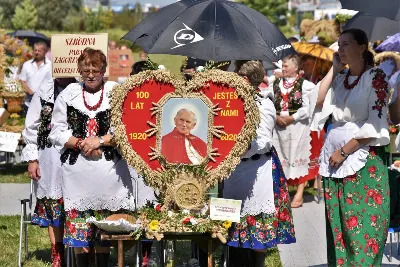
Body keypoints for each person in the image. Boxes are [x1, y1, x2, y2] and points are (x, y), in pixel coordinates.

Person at [49, 48, 136, 267]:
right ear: (79, 70)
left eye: (95, 69)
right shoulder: (69, 92)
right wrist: (80, 143)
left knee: (105, 233)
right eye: (85, 69)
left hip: (109, 175)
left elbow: (126, 129)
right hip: (77, 176)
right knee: (80, 233)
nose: (90, 74)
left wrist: (100, 141)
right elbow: (56, 131)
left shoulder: (115, 91)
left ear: (104, 70)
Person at [312, 28, 390, 266]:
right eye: (339, 44)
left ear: (362, 47)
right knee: (339, 226)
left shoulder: (376, 77)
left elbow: (375, 123)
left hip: (362, 161)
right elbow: (317, 101)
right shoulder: (340, 79)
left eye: (346, 44)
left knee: (362, 228)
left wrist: (345, 150)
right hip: (336, 162)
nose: (340, 49)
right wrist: (334, 68)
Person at [224, 60, 295, 267]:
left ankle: (258, 263)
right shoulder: (233, 102)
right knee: (233, 221)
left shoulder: (264, 104)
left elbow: (264, 141)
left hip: (258, 168)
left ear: (245, 80)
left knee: (258, 226)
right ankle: (236, 261)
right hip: (236, 169)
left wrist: (246, 147)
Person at [21, 77, 75, 267]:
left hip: (78, 156)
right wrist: (33, 159)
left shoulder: (83, 87)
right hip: (49, 157)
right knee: (54, 206)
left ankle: (79, 253)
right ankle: (57, 254)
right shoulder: (45, 90)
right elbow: (32, 126)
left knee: (76, 206)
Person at [267, 54, 316, 208]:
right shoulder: (274, 84)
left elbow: (309, 107)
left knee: (299, 157)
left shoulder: (306, 85)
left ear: (296, 67)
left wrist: (292, 118)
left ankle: (300, 194)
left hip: (298, 127)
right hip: (279, 127)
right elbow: (267, 102)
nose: (283, 68)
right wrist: (275, 117)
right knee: (281, 158)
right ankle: (283, 192)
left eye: (286, 66)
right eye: (283, 66)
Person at [19, 41, 52, 116]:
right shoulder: (27, 64)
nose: (36, 52)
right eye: (35, 50)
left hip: (45, 102)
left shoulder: (50, 65)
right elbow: (22, 80)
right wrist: (30, 92)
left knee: (43, 125)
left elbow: (53, 82)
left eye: (39, 51)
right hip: (29, 102)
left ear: (45, 51)